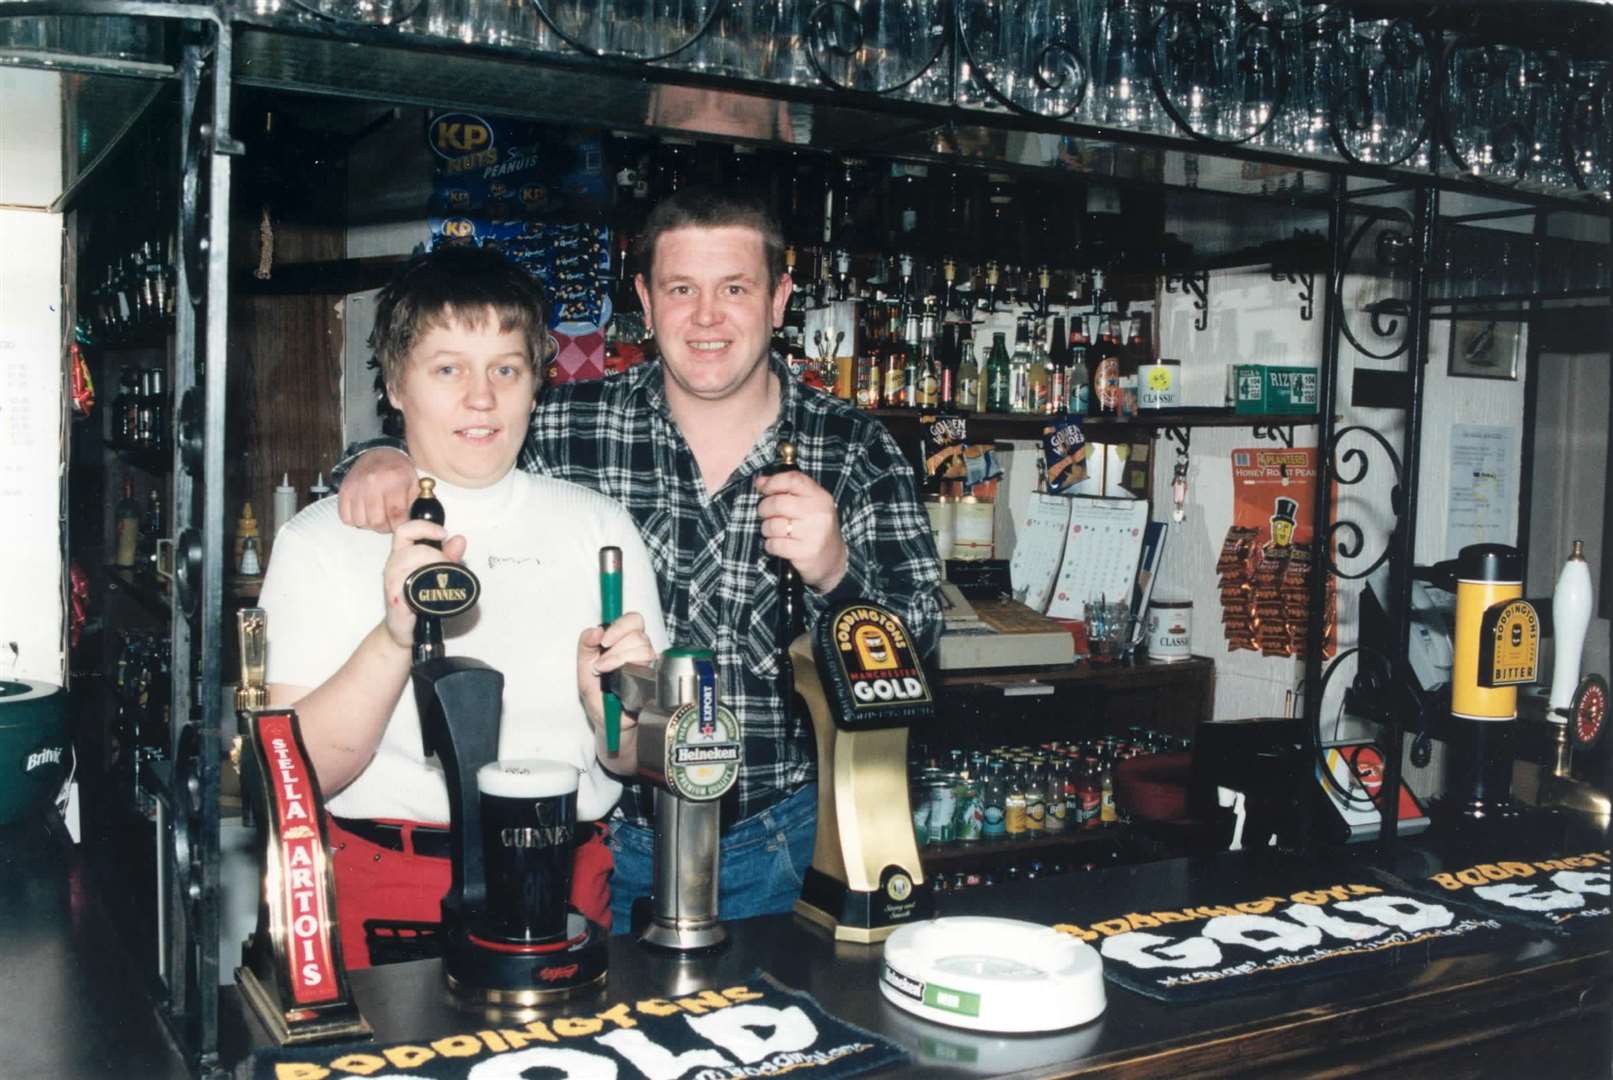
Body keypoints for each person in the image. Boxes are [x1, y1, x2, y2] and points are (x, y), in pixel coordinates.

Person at [335, 187, 943, 930]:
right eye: (681, 289)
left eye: (735, 289)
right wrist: (378, 457)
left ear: (780, 299)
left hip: (774, 844)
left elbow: (917, 655)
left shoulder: (855, 449)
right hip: (589, 843)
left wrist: (835, 573)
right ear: (645, 304)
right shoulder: (564, 422)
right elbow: (455, 430)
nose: (707, 316)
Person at [260, 247, 667, 968]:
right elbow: (300, 777)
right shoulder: (318, 539)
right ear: (394, 383)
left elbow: (635, 759)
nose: (481, 399)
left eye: (505, 369)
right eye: (448, 369)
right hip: (387, 885)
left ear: (535, 385)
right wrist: (392, 639)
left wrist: (621, 717)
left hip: (566, 879)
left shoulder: (599, 528)